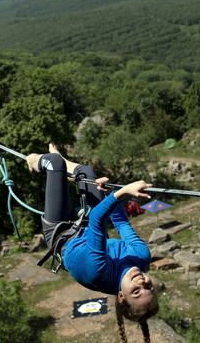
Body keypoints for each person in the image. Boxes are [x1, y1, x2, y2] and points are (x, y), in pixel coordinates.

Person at [27, 143, 159, 343]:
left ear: (121, 296)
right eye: (148, 288)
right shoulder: (141, 257)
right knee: (87, 172)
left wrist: (122, 193)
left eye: (136, 291)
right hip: (88, 226)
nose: (142, 282)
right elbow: (121, 222)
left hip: (62, 232)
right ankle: (63, 163)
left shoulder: (99, 273)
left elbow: (98, 218)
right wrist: (108, 193)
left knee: (53, 163)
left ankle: (35, 161)